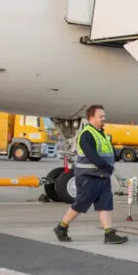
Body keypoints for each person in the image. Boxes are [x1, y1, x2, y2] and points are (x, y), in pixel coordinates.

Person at [53, 105, 128, 245]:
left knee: (105, 205)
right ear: (91, 118)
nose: (104, 118)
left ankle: (109, 233)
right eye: (101, 116)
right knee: (81, 204)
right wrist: (106, 166)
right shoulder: (87, 134)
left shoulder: (101, 133)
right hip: (89, 176)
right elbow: (92, 155)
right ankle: (61, 227)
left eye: (104, 116)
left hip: (102, 176)